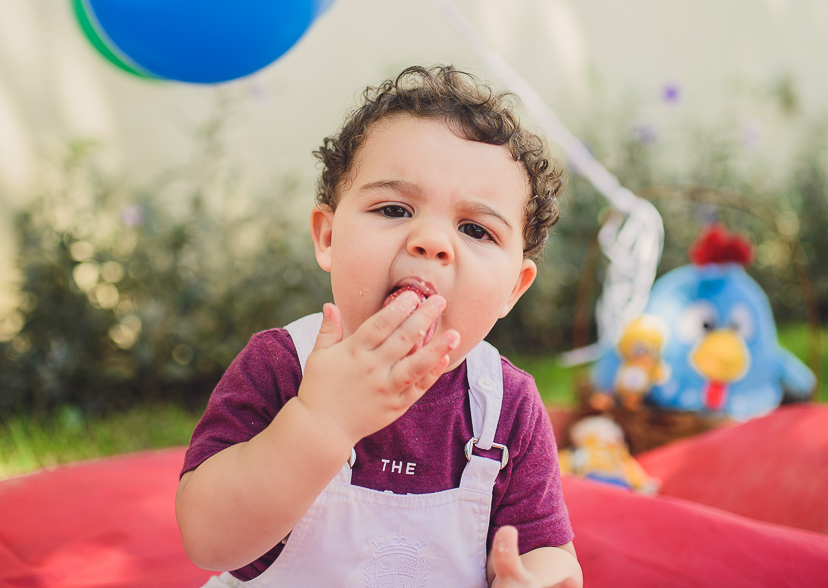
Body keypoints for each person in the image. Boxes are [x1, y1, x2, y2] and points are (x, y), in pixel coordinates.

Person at [176, 65, 581, 588]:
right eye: (394, 208)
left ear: (513, 290)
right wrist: (322, 420)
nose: (431, 241)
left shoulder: (508, 408)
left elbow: (547, 549)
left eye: (475, 229)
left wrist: (536, 578)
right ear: (327, 237)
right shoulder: (282, 366)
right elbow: (208, 540)